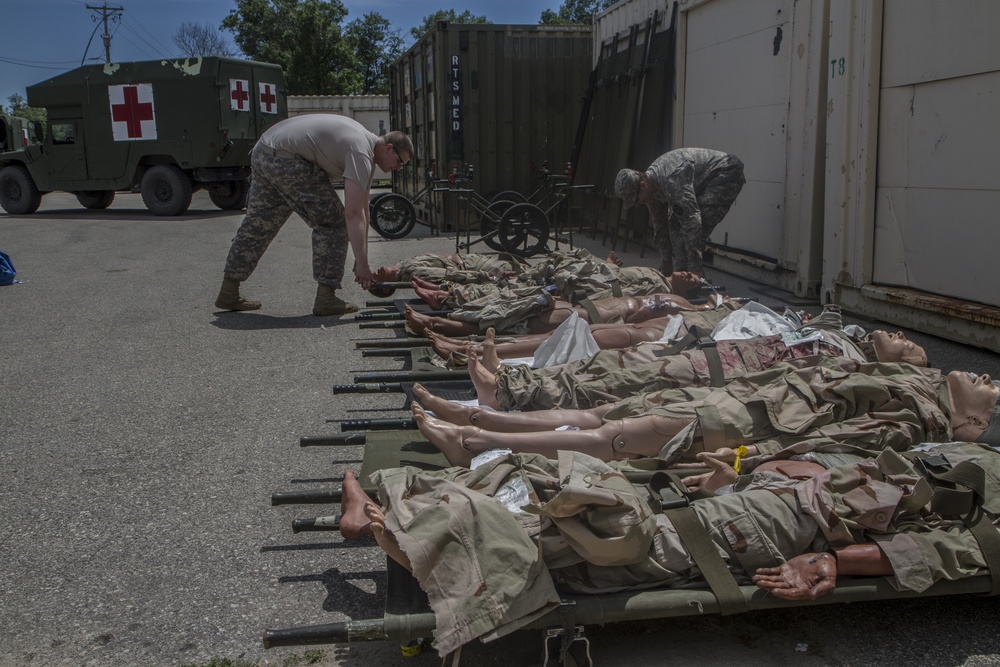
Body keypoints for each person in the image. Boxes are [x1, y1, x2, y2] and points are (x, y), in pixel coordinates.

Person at [338, 439, 1000, 657]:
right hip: (772, 492)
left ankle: (384, 526)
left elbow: (952, 552)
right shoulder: (983, 455)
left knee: (607, 536)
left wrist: (832, 560)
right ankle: (409, 510)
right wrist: (745, 471)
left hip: (791, 519)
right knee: (584, 489)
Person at [407, 359, 995, 468]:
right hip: (735, 404)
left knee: (607, 436)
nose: (988, 378)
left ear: (975, 425)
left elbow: (836, 442)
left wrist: (746, 461)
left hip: (744, 426)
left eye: (992, 391)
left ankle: (476, 445)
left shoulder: (916, 420)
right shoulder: (915, 389)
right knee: (598, 417)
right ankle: (479, 422)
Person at [215, 114, 414, 316]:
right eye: (400, 162)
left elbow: (363, 209)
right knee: (334, 221)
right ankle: (326, 298)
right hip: (286, 158)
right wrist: (362, 264)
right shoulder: (361, 151)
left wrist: (361, 258)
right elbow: (352, 214)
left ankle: (229, 290)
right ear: (389, 148)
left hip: (264, 151)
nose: (397, 169)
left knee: (259, 222)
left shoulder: (365, 150)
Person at [469, 323, 928, 411]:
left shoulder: (848, 365)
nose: (902, 338)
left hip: (720, 375)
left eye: (907, 348)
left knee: (617, 385)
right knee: (611, 363)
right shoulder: (843, 337)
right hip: (713, 354)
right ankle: (514, 377)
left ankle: (508, 395)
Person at [616, 148, 745, 277]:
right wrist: (666, 260)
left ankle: (694, 278)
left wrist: (695, 269)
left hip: (725, 172)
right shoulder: (651, 189)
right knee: (674, 224)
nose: (637, 205)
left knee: (698, 223)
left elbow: (692, 222)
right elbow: (660, 225)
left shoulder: (671, 180)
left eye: (636, 200)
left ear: (643, 185)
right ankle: (680, 276)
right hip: (702, 181)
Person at [404, 291, 734, 337]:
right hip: (583, 311)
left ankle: (437, 325)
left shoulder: (689, 313)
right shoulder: (684, 302)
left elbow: (641, 321)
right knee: (507, 310)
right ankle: (438, 320)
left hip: (587, 321)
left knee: (509, 323)